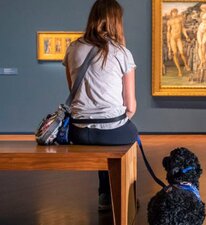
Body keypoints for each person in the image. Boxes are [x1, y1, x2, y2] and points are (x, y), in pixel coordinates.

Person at [62, 0, 137, 211]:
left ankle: (105, 194)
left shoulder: (73, 48)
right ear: (116, 21)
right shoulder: (121, 52)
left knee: (102, 138)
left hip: (77, 131)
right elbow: (130, 105)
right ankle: (126, 200)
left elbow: (73, 92)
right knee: (128, 135)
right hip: (112, 131)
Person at [167, 8, 191, 77]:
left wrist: (186, 36)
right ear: (171, 13)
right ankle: (179, 71)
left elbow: (183, 28)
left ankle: (186, 65)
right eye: (173, 12)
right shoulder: (169, 21)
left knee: (182, 52)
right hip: (172, 39)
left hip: (178, 38)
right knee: (174, 53)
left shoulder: (180, 19)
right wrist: (168, 44)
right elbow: (168, 32)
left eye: (176, 12)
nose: (175, 13)